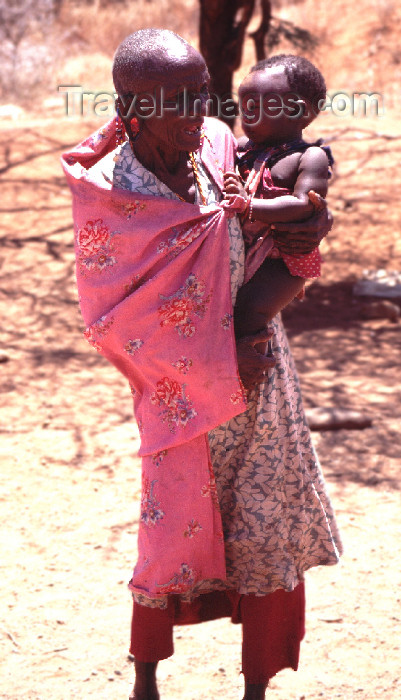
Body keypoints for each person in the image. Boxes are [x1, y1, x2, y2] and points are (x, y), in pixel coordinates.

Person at [61, 29, 342, 700]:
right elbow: (113, 322)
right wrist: (218, 349)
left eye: (201, 96)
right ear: (130, 107)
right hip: (178, 398)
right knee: (168, 534)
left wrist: (307, 230)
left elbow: (282, 214)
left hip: (263, 379)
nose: (198, 114)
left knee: (267, 522)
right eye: (176, 102)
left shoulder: (217, 145)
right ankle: (147, 680)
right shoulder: (108, 194)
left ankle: (255, 686)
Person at [223, 54, 333, 348]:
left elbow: (304, 204)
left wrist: (249, 206)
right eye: (244, 107)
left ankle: (249, 361)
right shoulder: (241, 149)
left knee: (250, 311)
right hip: (246, 248)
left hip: (283, 258)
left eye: (258, 108)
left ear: (298, 111)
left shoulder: (309, 157)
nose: (247, 115)